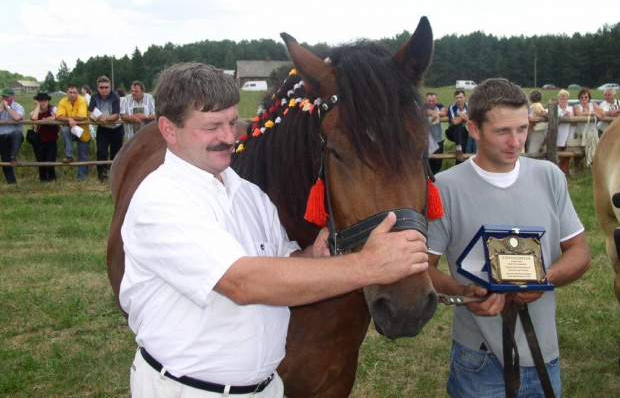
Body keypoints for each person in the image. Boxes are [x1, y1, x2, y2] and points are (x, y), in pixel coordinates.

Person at [120, 62, 429, 398]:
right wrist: (368, 266)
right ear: (168, 129)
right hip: (188, 390)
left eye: (230, 121)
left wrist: (313, 255)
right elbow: (242, 282)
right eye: (211, 127)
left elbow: (281, 258)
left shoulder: (247, 193)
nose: (228, 137)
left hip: (265, 389)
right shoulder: (161, 201)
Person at [427, 78, 590, 397]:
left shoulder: (550, 177)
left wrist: (546, 278)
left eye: (522, 128)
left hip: (543, 351)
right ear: (473, 129)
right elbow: (422, 267)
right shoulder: (444, 187)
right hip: (480, 357)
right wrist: (464, 293)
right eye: (502, 131)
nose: (515, 141)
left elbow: (580, 252)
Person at [88, 76, 123, 182]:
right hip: (103, 129)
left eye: (106, 87)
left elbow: (116, 115)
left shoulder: (115, 96)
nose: (104, 90)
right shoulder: (94, 97)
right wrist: (95, 118)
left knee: (116, 153)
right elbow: (90, 113)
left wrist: (105, 118)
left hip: (116, 128)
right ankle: (102, 175)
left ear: (110, 87)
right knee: (101, 152)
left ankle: (114, 175)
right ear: (97, 88)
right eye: (101, 87)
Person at [56, 84, 91, 180]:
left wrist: (68, 119)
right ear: (67, 92)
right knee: (64, 130)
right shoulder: (63, 101)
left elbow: (82, 116)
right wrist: (70, 120)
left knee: (83, 155)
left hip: (83, 132)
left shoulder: (82, 100)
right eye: (70, 92)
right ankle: (69, 155)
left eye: (74, 92)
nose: (72, 94)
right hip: (71, 130)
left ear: (78, 93)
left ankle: (82, 178)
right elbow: (58, 116)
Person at [30, 92, 59, 181]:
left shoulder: (53, 109)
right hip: (39, 139)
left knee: (50, 162)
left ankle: (52, 179)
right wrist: (37, 106)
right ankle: (43, 180)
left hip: (52, 139)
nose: (43, 103)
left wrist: (43, 120)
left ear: (48, 101)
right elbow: (34, 118)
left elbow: (56, 117)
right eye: (41, 101)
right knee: (41, 161)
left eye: (45, 101)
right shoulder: (35, 111)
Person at [572, 88, 603, 169]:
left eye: (586, 97)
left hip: (592, 133)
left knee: (593, 151)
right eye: (581, 97)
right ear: (579, 98)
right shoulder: (576, 106)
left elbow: (601, 112)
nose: (584, 99)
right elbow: (578, 114)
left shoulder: (593, 105)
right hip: (580, 133)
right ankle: (578, 169)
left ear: (589, 98)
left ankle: (591, 169)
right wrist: (592, 113)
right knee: (579, 153)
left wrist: (590, 112)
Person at [0, 88, 25, 184]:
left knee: (16, 134)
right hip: (2, 137)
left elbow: (17, 117)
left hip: (14, 137)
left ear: (13, 98)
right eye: (3, 96)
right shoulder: (0, 107)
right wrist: (2, 109)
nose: (4, 98)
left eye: (7, 97)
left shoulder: (18, 107)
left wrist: (8, 108)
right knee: (5, 159)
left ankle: (14, 155)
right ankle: (11, 182)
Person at [447, 89, 475, 164]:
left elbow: (470, 118)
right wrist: (464, 116)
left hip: (464, 133)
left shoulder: (468, 107)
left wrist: (459, 114)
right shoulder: (452, 107)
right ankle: (458, 148)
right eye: (457, 98)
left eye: (460, 97)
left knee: (464, 150)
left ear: (464, 98)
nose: (459, 99)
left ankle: (459, 161)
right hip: (452, 132)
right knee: (458, 125)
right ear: (455, 98)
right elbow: (454, 122)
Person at [426, 92, 447, 175]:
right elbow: (424, 112)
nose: (431, 102)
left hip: (439, 139)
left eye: (433, 100)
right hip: (428, 141)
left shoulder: (439, 106)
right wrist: (433, 114)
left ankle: (436, 180)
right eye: (429, 101)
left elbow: (445, 112)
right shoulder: (423, 107)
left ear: (437, 100)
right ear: (426, 100)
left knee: (438, 163)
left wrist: (437, 113)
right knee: (428, 162)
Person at [556, 89, 574, 174]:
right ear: (558, 99)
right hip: (558, 133)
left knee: (567, 153)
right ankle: (557, 170)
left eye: (565, 99)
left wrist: (570, 116)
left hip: (568, 132)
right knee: (558, 152)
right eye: (561, 98)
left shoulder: (570, 109)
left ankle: (565, 170)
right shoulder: (555, 108)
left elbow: (574, 121)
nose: (563, 100)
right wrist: (563, 116)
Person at [526, 89, 548, 155]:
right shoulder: (537, 105)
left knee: (532, 153)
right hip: (534, 130)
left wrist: (535, 116)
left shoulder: (536, 105)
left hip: (536, 130)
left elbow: (542, 113)